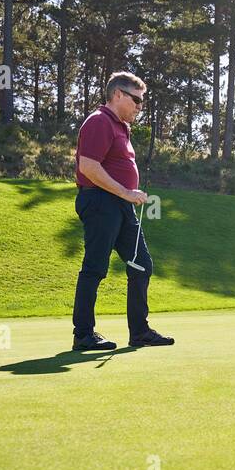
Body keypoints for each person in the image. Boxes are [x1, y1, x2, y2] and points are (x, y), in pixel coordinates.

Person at [71, 71, 173, 351]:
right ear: (118, 95)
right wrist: (126, 192)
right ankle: (83, 335)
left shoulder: (120, 127)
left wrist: (127, 196)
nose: (140, 107)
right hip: (101, 203)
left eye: (142, 102)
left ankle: (139, 332)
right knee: (95, 267)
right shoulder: (99, 121)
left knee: (142, 265)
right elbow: (88, 167)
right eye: (136, 100)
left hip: (121, 206)